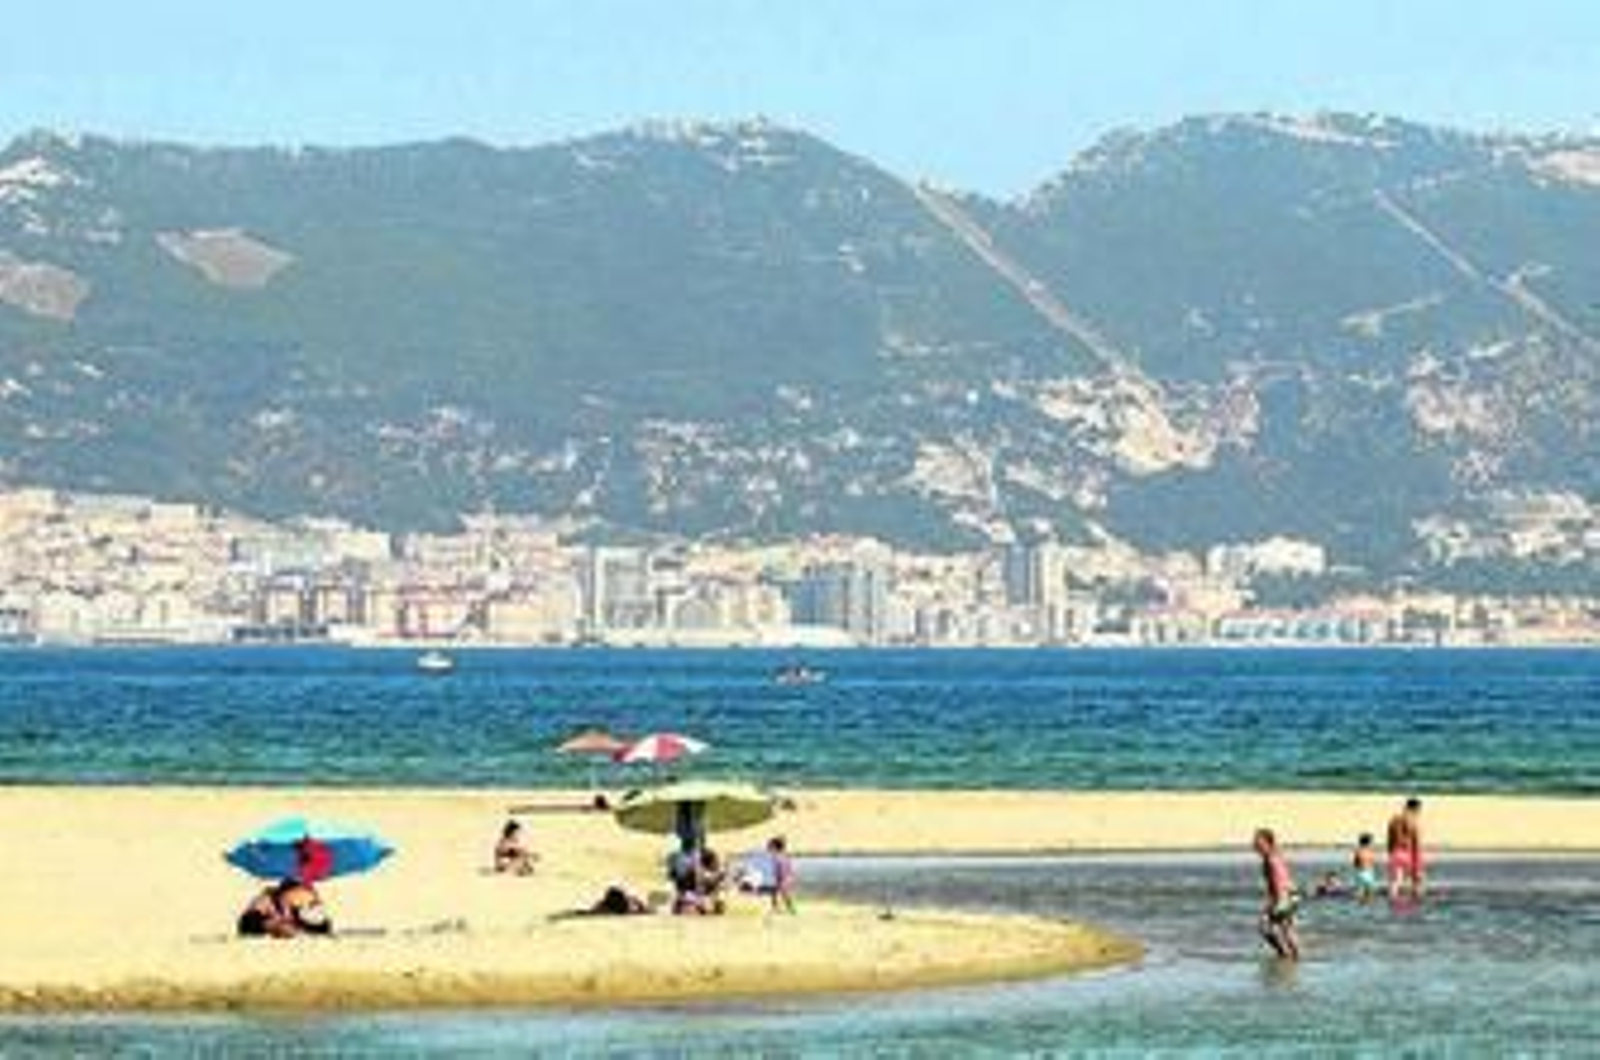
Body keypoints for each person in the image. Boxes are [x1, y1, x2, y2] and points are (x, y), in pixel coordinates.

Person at [1253, 828, 1300, 961]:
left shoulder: (1271, 859)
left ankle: (1285, 955)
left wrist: (1276, 902)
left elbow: (1279, 880)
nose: (1254, 844)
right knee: (1286, 929)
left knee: (1265, 927)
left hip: (1285, 896)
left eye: (1258, 841)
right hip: (1291, 895)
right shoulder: (1272, 856)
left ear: (1267, 843)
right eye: (1255, 841)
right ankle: (1293, 958)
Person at [237, 878, 333, 938]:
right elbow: (246, 924)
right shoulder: (268, 900)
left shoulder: (307, 900)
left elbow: (323, 925)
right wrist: (270, 925)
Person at [1386, 797, 1426, 899]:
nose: (1419, 812)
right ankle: (1417, 903)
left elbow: (1389, 839)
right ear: (1415, 808)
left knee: (1395, 882)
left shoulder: (1394, 819)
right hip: (1409, 853)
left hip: (1395, 852)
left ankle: (1391, 903)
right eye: (1419, 809)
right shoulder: (1413, 821)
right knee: (1417, 881)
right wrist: (1418, 861)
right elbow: (1417, 842)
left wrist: (1390, 853)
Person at [764, 835, 797, 914]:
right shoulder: (778, 856)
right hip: (783, 877)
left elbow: (783, 868)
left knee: (784, 894)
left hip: (784, 878)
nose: (768, 848)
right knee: (775, 893)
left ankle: (790, 909)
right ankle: (776, 908)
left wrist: (783, 878)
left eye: (770, 846)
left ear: (775, 847)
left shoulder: (779, 856)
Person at [1352, 832, 1381, 900]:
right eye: (1371, 842)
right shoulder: (1371, 851)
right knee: (1370, 892)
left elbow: (1355, 863)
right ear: (1368, 843)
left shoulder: (1358, 851)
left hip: (1359, 872)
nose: (1372, 844)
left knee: (1360, 892)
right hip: (1368, 872)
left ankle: (1359, 905)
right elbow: (1373, 862)